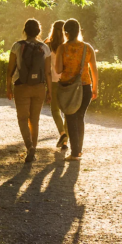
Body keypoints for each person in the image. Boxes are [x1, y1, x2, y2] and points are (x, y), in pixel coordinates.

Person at [6, 19, 53, 163]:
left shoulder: (17, 46)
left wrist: (8, 87)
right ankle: (34, 147)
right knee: (34, 120)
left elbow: (10, 70)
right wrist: (49, 91)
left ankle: (29, 147)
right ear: (39, 32)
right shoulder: (45, 48)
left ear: (25, 31)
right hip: (39, 87)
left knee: (22, 119)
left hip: (21, 86)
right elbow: (48, 73)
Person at [55, 19, 98, 162]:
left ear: (65, 33)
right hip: (85, 86)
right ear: (79, 31)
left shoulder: (62, 48)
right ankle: (78, 151)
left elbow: (58, 69)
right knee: (80, 117)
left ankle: (75, 152)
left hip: (68, 88)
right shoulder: (87, 48)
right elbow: (94, 70)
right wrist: (95, 88)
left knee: (70, 117)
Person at [45, 21, 68, 150]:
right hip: (66, 81)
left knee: (55, 110)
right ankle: (65, 141)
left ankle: (62, 133)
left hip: (53, 81)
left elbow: (45, 66)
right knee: (67, 112)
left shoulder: (47, 45)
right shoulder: (67, 46)